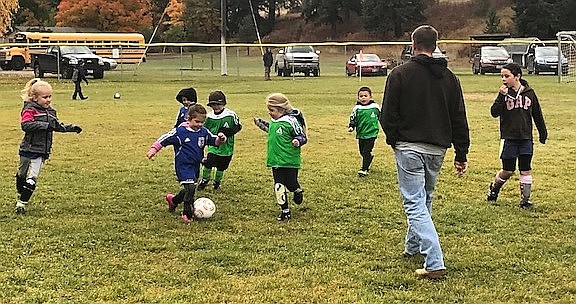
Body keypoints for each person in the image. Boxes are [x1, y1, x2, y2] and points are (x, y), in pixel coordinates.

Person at [380, 25, 470, 280]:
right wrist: (461, 152)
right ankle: (413, 246)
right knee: (424, 198)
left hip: (409, 147)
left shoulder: (399, 74)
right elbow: (459, 117)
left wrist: (394, 139)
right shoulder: (450, 78)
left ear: (413, 45)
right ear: (435, 45)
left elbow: (387, 115)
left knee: (414, 203)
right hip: (437, 148)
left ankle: (434, 261)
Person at [146, 104, 227, 223]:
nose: (199, 124)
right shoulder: (180, 132)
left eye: (202, 122)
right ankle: (187, 214)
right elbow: (164, 138)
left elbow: (214, 141)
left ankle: (173, 200)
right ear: (188, 119)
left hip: (195, 166)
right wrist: (153, 149)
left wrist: (221, 139)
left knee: (189, 189)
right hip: (183, 166)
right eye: (197, 121)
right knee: (190, 187)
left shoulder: (203, 132)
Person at [15, 78, 83, 214]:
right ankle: (20, 192)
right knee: (21, 174)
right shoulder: (29, 110)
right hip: (27, 148)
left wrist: (71, 128)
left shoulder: (51, 112)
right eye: (45, 97)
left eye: (50, 96)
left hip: (41, 151)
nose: (48, 100)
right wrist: (45, 126)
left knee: (32, 178)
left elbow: (57, 126)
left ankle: (21, 204)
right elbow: (26, 125)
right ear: (35, 98)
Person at [486, 62, 547, 209]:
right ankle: (494, 189)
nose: (504, 79)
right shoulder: (504, 94)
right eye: (502, 76)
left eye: (507, 76)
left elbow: (537, 114)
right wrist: (501, 96)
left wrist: (542, 132)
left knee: (525, 168)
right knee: (508, 170)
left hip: (526, 138)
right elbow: (494, 112)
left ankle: (525, 200)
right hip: (509, 138)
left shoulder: (529, 93)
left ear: (517, 76)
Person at [254, 93, 307, 221]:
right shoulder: (274, 121)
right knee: (278, 184)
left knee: (291, 183)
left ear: (281, 110)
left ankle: (297, 190)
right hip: (275, 160)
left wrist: (298, 141)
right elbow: (271, 129)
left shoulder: (291, 121)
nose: (269, 113)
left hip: (289, 160)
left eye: (272, 110)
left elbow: (302, 136)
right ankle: (285, 211)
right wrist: (260, 123)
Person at [197, 90, 242, 190]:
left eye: (218, 104)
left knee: (221, 167)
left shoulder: (231, 115)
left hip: (227, 147)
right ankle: (205, 180)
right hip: (213, 146)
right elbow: (204, 130)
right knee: (209, 163)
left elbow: (238, 127)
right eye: (213, 105)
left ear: (223, 104)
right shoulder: (209, 117)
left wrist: (226, 132)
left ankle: (217, 182)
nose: (216, 107)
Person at [348, 86, 380, 177]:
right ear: (358, 97)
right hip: (361, 133)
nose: (363, 98)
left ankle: (364, 169)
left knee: (366, 151)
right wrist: (351, 126)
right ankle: (368, 159)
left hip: (372, 133)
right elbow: (353, 118)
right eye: (361, 96)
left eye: (365, 96)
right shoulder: (357, 108)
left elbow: (381, 117)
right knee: (362, 151)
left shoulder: (375, 107)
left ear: (370, 96)